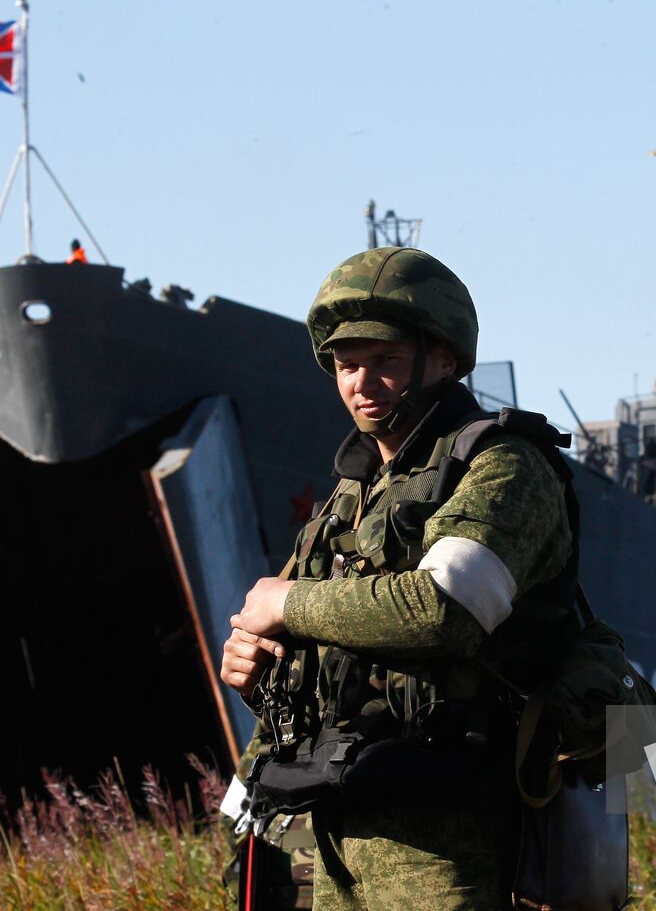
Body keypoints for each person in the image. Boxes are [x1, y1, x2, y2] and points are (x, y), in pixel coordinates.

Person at [220, 246, 576, 910]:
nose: (361, 381)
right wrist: (254, 668)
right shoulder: (347, 500)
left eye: (385, 360)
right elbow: (316, 654)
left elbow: (444, 608)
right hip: (339, 829)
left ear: (443, 356)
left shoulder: (504, 467)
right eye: (347, 364)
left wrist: (287, 601)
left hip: (455, 838)